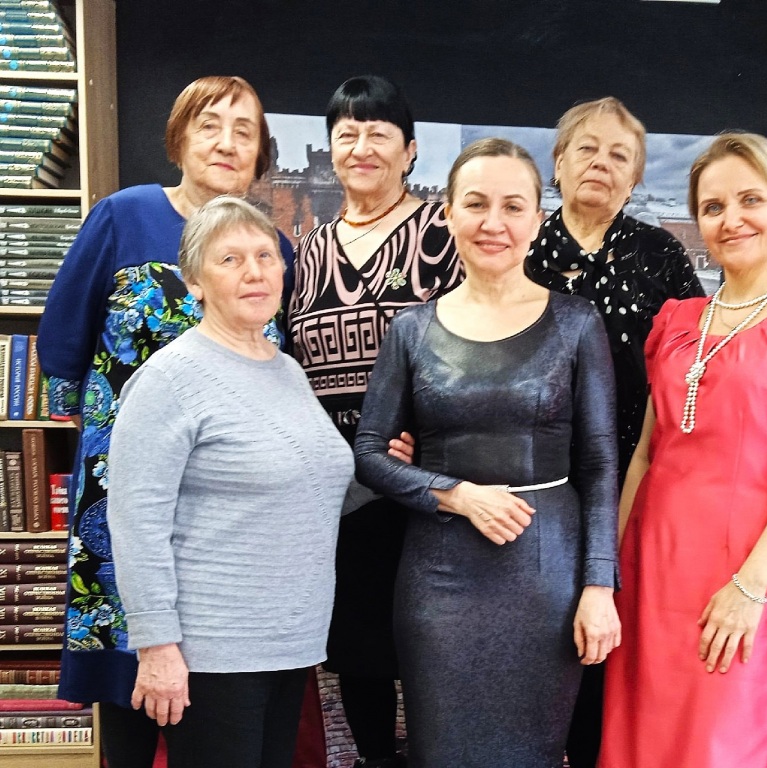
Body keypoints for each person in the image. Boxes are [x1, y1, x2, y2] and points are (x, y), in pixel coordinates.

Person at [36, 76, 295, 768]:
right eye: (211, 125)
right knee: (130, 675)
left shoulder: (273, 246)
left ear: (261, 154)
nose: (227, 142)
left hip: (227, 503)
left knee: (216, 691)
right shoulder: (124, 217)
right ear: (179, 138)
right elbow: (64, 335)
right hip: (124, 486)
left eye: (245, 131)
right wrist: (101, 435)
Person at [598, 132, 767, 768]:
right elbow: (647, 454)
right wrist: (608, 571)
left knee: (725, 742)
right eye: (713, 206)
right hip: (651, 562)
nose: (731, 219)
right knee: (643, 735)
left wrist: (750, 586)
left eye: (751, 199)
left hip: (750, 564)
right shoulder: (675, 319)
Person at [353, 138, 620, 767]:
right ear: (448, 213)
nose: (493, 223)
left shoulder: (577, 322)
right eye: (475, 204)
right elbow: (368, 453)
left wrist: (599, 584)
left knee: (534, 750)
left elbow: (599, 464)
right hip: (440, 578)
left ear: (537, 218)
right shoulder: (412, 330)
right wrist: (454, 494)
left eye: (512, 206)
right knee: (440, 749)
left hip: (548, 572)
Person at [105, 196, 354, 768]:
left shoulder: (286, 370)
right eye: (230, 259)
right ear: (194, 282)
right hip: (212, 650)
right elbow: (136, 523)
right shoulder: (169, 378)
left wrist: (403, 469)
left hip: (290, 642)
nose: (254, 272)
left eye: (265, 256)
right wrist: (157, 646)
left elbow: (310, 484)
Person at [523, 96, 705, 768]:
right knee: (538, 639)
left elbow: (697, 366)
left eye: (619, 155)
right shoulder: (521, 249)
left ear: (635, 178)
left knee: (612, 637)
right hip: (533, 483)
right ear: (558, 163)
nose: (601, 163)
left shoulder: (660, 255)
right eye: (587, 148)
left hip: (633, 480)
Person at [288, 74, 463, 768]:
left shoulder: (443, 233)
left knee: (428, 645)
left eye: (379, 133)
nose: (362, 147)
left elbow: (475, 344)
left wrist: (435, 434)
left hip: (423, 479)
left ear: (410, 150)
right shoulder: (307, 252)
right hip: (335, 487)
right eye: (347, 134)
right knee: (357, 646)